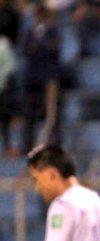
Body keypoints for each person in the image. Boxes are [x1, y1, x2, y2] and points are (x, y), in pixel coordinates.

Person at [20, 6, 62, 154]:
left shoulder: (52, 31)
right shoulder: (29, 32)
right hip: (32, 78)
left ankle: (54, 145)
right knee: (30, 113)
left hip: (49, 78)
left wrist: (39, 44)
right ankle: (28, 146)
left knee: (52, 113)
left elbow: (54, 49)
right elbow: (26, 50)